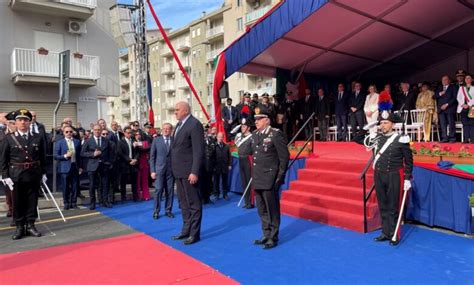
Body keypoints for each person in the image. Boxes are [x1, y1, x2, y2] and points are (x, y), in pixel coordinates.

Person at [357, 111, 413, 246]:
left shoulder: (401, 139)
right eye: (381, 123)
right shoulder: (377, 138)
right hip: (379, 175)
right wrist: (366, 128)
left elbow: (409, 161)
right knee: (383, 204)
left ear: (392, 124)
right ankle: (385, 232)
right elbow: (357, 139)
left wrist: (407, 178)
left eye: (386, 123)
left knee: (393, 205)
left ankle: (395, 234)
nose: (383, 125)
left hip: (394, 175)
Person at [240, 107, 289, 249]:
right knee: (261, 209)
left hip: (270, 178)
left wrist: (280, 177)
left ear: (267, 120)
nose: (256, 122)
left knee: (272, 208)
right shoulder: (255, 135)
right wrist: (243, 135)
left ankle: (273, 236)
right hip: (257, 177)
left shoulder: (275, 135)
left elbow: (284, 158)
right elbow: (244, 151)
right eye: (255, 119)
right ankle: (266, 234)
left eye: (259, 119)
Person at [0, 109, 46, 240]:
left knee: (32, 200)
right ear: (15, 122)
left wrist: (43, 172)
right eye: (20, 120)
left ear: (30, 122)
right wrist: (5, 176)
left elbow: (42, 157)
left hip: (33, 174)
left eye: (26, 120)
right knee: (17, 202)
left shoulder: (37, 138)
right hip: (16, 175)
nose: (23, 122)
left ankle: (31, 225)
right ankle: (19, 226)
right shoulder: (9, 138)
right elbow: (3, 159)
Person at [171, 101, 204, 245]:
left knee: (194, 204)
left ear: (185, 110)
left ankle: (194, 234)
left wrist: (194, 171)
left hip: (189, 172)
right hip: (178, 172)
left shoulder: (194, 124)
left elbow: (198, 151)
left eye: (177, 110)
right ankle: (186, 230)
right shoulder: (179, 125)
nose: (175, 112)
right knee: (183, 204)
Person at [81, 124, 114, 210]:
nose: (97, 131)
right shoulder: (88, 141)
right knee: (92, 185)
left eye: (99, 130)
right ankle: (93, 203)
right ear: (93, 131)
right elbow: (82, 153)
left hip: (104, 166)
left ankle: (105, 201)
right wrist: (93, 154)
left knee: (105, 184)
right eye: (95, 130)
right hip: (92, 166)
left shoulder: (106, 140)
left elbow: (111, 152)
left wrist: (109, 162)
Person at [150, 123, 175, 219]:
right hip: (159, 170)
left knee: (170, 191)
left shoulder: (174, 140)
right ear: (161, 130)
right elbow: (152, 157)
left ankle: (168, 210)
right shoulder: (156, 140)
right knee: (158, 190)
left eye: (168, 129)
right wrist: (152, 171)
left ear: (171, 130)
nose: (165, 130)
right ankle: (156, 211)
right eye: (164, 128)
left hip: (171, 171)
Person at [54, 125, 82, 210]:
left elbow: (79, 155)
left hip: (75, 166)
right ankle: (66, 203)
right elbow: (55, 156)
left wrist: (80, 166)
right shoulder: (60, 143)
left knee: (74, 186)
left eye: (70, 132)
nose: (69, 133)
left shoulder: (77, 142)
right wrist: (65, 155)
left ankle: (74, 203)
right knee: (65, 187)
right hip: (64, 167)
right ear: (63, 133)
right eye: (67, 132)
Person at [235, 118, 254, 209]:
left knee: (248, 182)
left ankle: (250, 202)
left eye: (244, 126)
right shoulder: (240, 137)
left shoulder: (251, 137)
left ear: (248, 128)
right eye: (242, 126)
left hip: (248, 159)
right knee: (243, 182)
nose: (242, 128)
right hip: (241, 159)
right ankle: (246, 202)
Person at [118, 126, 139, 202]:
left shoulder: (134, 141)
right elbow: (121, 153)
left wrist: (135, 159)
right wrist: (129, 160)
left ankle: (135, 197)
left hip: (134, 164)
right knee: (123, 182)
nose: (130, 134)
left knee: (134, 182)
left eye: (131, 133)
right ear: (124, 133)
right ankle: (123, 197)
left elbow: (137, 152)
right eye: (128, 133)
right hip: (125, 165)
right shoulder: (120, 142)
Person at [434, 75, 458, 143]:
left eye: (445, 79)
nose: (444, 81)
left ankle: (452, 138)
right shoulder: (439, 88)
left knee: (451, 123)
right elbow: (434, 96)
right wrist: (440, 93)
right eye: (442, 80)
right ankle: (444, 138)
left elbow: (455, 98)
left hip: (450, 108)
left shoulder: (453, 87)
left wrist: (447, 104)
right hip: (441, 109)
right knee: (442, 124)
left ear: (449, 81)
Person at [213, 132, 231, 200]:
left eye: (221, 137)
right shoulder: (214, 146)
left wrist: (229, 164)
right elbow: (212, 157)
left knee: (225, 181)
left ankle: (225, 194)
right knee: (216, 181)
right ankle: (216, 193)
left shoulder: (227, 146)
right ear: (217, 137)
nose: (220, 138)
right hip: (216, 166)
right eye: (219, 137)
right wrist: (213, 166)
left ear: (223, 138)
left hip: (225, 166)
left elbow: (229, 156)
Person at [457, 74, 474, 143]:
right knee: (465, 124)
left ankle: (472, 139)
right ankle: (466, 139)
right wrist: (463, 104)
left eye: (469, 78)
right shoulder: (461, 88)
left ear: (472, 79)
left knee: (472, 124)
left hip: (472, 108)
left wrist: (468, 104)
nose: (467, 79)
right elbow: (458, 97)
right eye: (466, 78)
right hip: (463, 108)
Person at [134, 131, 151, 201]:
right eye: (136, 135)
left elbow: (146, 148)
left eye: (139, 134)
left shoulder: (145, 142)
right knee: (137, 181)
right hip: (136, 163)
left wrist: (138, 144)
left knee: (145, 180)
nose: (138, 136)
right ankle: (138, 196)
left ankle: (146, 195)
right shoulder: (132, 142)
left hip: (144, 163)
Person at [203, 125, 217, 203]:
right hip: (203, 164)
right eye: (204, 131)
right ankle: (202, 197)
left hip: (210, 164)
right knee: (203, 182)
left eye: (206, 131)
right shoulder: (199, 140)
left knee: (209, 181)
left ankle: (207, 198)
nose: (205, 132)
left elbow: (214, 151)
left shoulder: (211, 139)